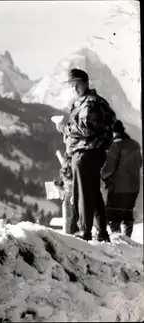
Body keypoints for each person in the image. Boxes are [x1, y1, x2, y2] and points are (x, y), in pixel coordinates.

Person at [53, 68, 115, 241]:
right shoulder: (99, 101)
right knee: (93, 192)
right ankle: (101, 232)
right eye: (72, 86)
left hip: (85, 153)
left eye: (76, 85)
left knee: (81, 192)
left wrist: (64, 128)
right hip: (94, 152)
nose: (74, 89)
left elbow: (86, 129)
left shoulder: (88, 103)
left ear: (86, 83)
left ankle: (84, 231)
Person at [101, 120, 142, 238]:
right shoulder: (135, 144)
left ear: (112, 132)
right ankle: (127, 239)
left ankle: (118, 240)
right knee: (127, 215)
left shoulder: (115, 145)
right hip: (134, 186)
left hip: (118, 187)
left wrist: (101, 176)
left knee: (113, 216)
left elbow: (109, 168)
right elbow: (139, 163)